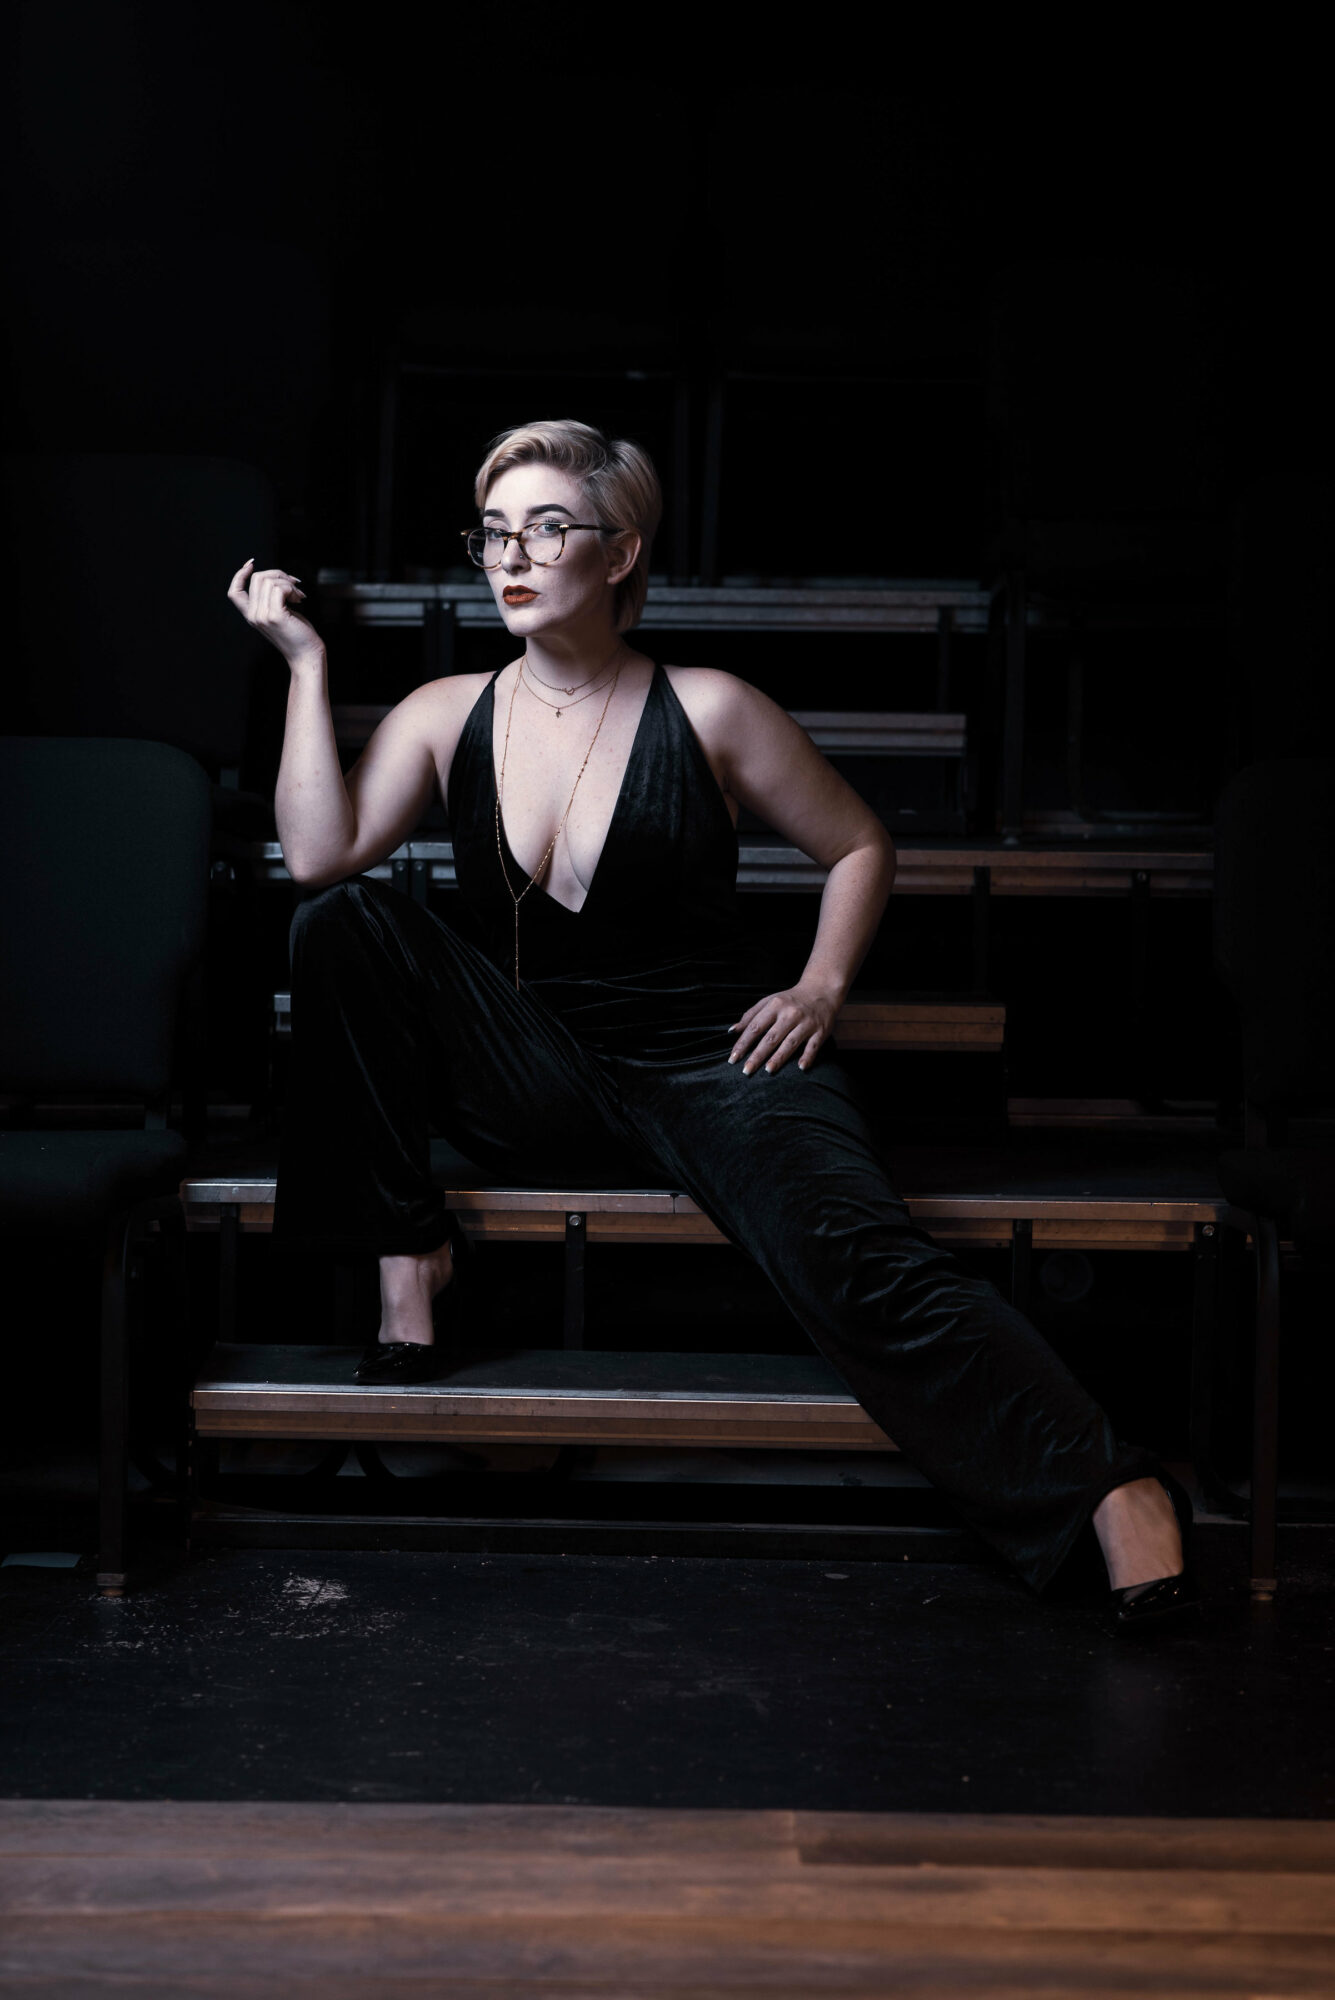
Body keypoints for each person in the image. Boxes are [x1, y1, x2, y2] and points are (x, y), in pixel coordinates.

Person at [227, 417, 1196, 1625]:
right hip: (535, 1065)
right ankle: (405, 1252)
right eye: (493, 532)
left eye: (546, 529)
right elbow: (319, 853)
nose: (511, 557)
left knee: (858, 1254)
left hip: (716, 1061)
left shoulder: (714, 706)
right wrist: (305, 666)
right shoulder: (443, 710)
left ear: (621, 550)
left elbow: (860, 844)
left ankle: (1111, 1485)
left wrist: (821, 986)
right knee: (341, 921)